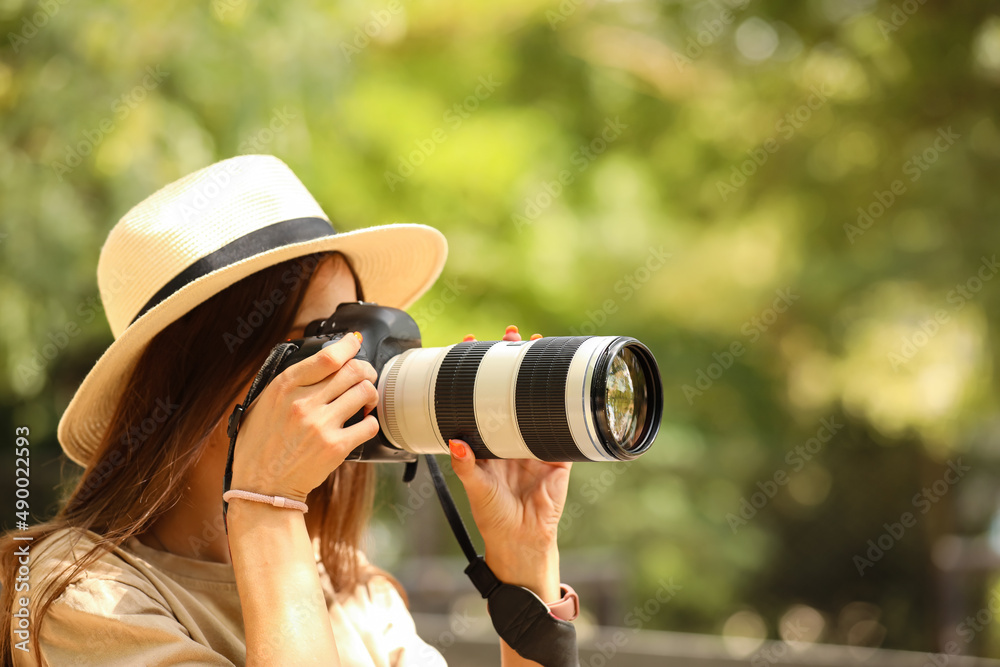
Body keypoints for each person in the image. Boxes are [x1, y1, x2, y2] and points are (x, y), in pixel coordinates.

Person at [0, 155, 579, 666]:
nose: (359, 367)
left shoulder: (351, 591)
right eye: (321, 337)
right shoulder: (76, 598)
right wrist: (265, 505)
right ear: (193, 376)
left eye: (361, 332)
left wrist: (523, 559)